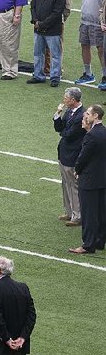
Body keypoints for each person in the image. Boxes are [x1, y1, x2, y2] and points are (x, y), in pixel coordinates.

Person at [70, 104, 106, 254]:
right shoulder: (104, 132)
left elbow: (83, 157)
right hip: (103, 179)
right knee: (101, 212)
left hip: (89, 180)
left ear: (95, 116)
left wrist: (77, 170)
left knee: (89, 214)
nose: (86, 115)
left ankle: (88, 245)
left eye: (88, 113)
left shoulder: (91, 135)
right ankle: (99, 241)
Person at [28, 0, 66, 86]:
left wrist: (42, 24)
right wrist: (35, 20)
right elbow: (33, 6)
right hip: (38, 29)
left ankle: (55, 77)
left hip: (52, 31)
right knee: (38, 53)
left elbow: (56, 14)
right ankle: (38, 75)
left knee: (55, 55)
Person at [54, 87, 85, 227]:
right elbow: (59, 128)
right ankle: (69, 211)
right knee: (65, 183)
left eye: (66, 98)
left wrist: (63, 131)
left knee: (73, 185)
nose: (64, 100)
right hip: (64, 152)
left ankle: (77, 215)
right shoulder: (69, 111)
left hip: (72, 154)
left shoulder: (81, 115)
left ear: (73, 100)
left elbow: (69, 134)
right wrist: (57, 114)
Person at [74, 0, 106, 87]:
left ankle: (105, 76)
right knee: (84, 45)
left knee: (101, 49)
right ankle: (88, 74)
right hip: (85, 20)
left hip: (99, 23)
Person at [39, 0, 72, 79]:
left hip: (56, 22)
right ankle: (46, 69)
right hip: (42, 21)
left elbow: (67, 6)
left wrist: (60, 20)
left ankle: (57, 72)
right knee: (43, 47)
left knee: (55, 48)